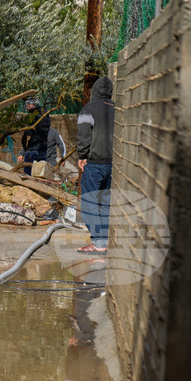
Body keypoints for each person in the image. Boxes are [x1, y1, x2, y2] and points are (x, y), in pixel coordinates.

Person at [76, 76, 115, 254]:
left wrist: (82, 156)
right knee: (105, 204)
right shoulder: (117, 109)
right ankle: (104, 242)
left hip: (94, 164)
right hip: (112, 165)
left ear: (95, 91)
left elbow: (84, 135)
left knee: (89, 204)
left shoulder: (89, 109)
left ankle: (98, 244)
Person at [17, 97, 65, 167]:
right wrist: (21, 153)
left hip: (49, 163)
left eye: (28, 104)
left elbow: (61, 144)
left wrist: (63, 157)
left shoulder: (53, 132)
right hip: (36, 159)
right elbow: (29, 143)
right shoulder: (34, 131)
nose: (26, 106)